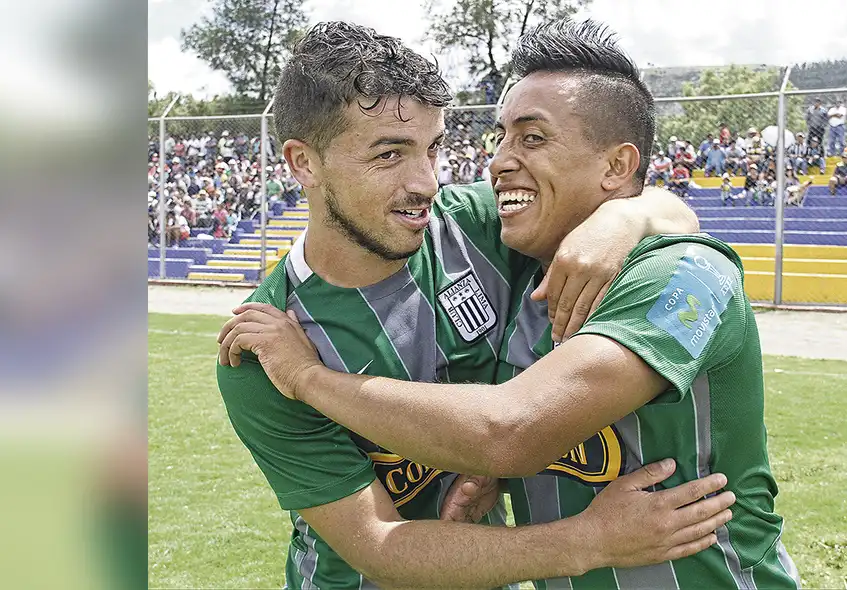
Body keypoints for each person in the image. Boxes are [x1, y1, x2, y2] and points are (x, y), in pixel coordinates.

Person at [221, 19, 798, 590]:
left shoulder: (482, 232)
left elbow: (511, 428)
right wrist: (585, 539)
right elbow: (379, 546)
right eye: (389, 154)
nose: (427, 181)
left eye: (434, 149)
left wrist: (632, 213)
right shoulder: (262, 346)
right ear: (302, 162)